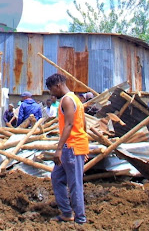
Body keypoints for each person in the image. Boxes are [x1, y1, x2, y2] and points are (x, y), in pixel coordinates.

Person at [45, 73, 88, 225]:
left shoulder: (68, 100)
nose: (51, 94)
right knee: (57, 178)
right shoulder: (76, 99)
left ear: (58, 86)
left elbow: (70, 125)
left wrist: (58, 149)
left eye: (51, 90)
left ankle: (80, 219)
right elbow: (83, 124)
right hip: (74, 147)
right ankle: (67, 213)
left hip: (71, 147)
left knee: (75, 183)